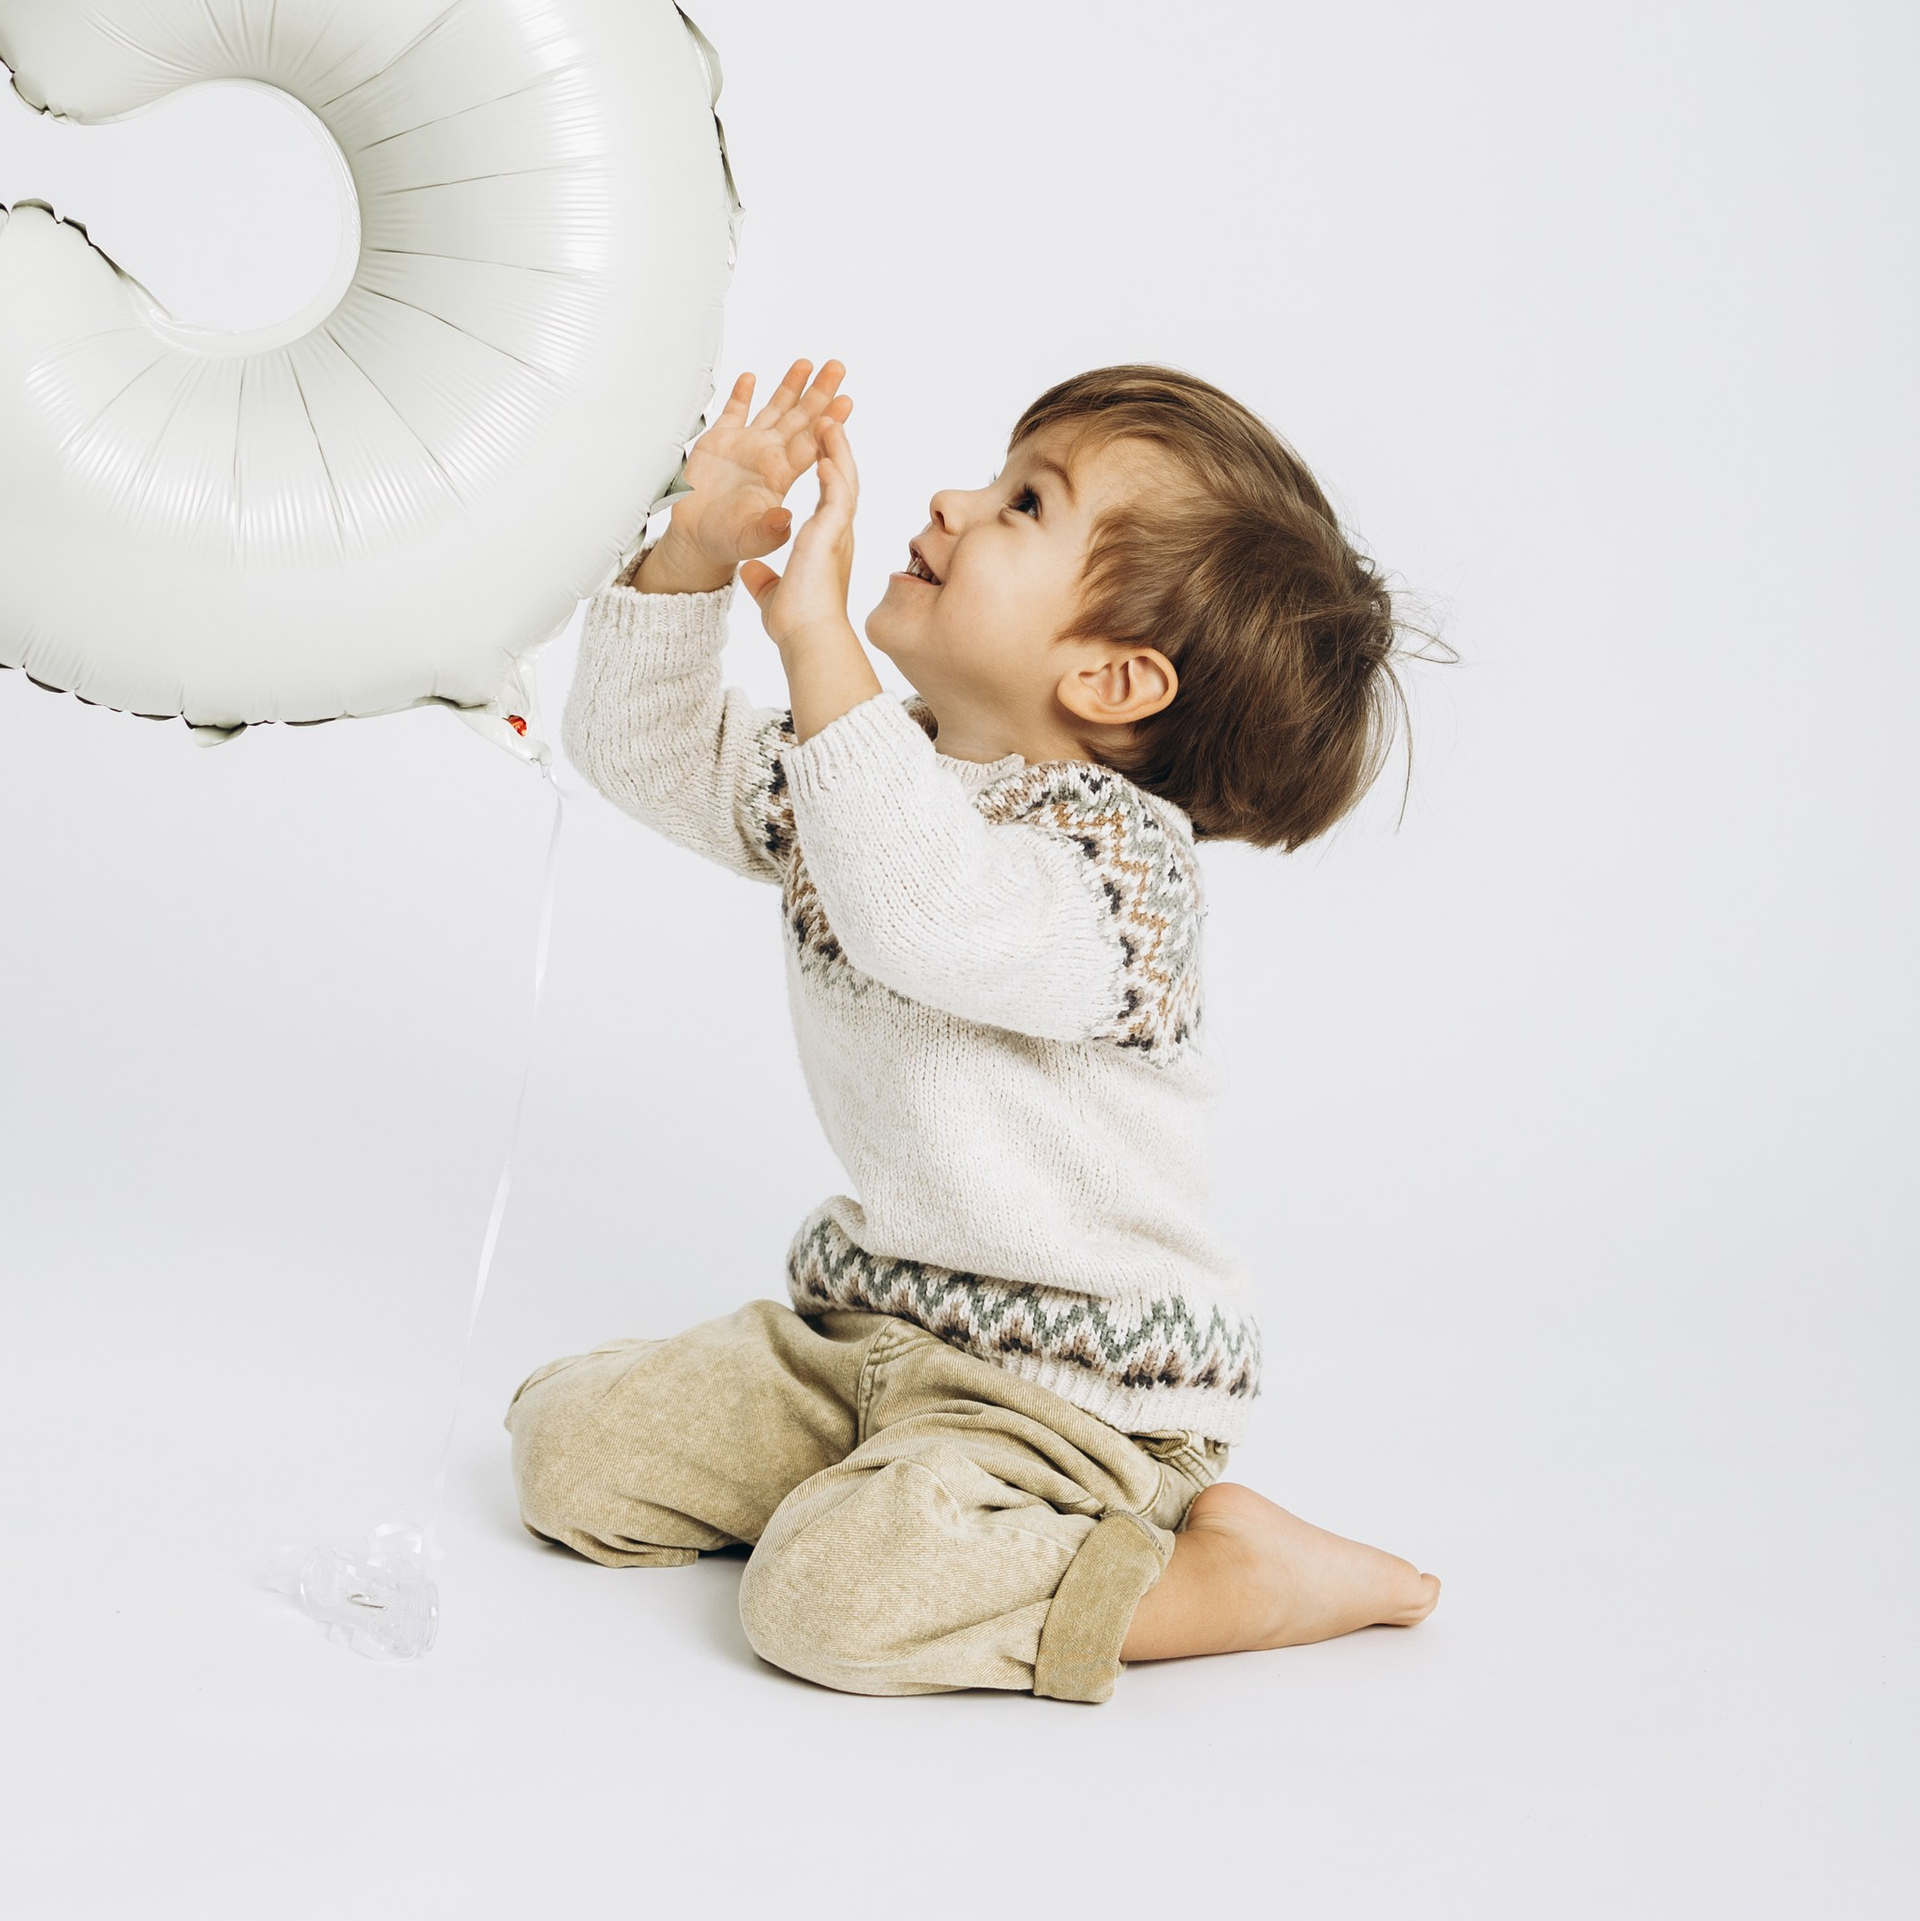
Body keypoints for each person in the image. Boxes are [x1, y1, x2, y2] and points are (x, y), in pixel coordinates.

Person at [508, 359, 1440, 1702]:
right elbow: (641, 755)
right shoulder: (875, 773)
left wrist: (820, 642)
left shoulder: (1122, 873)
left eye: (1023, 504)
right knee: (571, 1453)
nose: (952, 499)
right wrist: (694, 556)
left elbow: (925, 913)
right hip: (877, 1324)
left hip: (1079, 1396)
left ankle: (1213, 1577)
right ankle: (900, 1497)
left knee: (825, 1603)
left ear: (1116, 679)